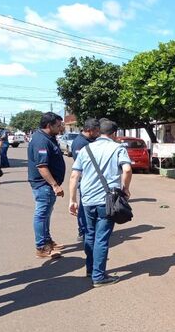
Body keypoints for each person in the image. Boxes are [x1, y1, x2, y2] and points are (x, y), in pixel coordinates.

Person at [69, 120, 132, 287]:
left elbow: (74, 176)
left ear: (99, 132)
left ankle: (90, 269)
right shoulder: (118, 148)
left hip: (87, 199)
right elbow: (126, 169)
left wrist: (72, 199)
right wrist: (125, 189)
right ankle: (98, 276)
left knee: (89, 235)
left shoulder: (85, 149)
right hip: (107, 199)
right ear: (114, 134)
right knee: (102, 238)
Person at [27, 112, 65, 259]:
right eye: (58, 125)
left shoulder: (48, 137)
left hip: (46, 185)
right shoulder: (41, 140)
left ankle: (47, 241)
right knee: (42, 215)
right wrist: (54, 185)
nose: (60, 127)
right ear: (49, 125)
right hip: (44, 185)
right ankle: (42, 247)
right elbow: (42, 166)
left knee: (46, 214)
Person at [70, 118, 101, 242]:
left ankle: (90, 229)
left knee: (90, 206)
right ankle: (83, 231)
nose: (98, 133)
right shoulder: (80, 143)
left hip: (92, 180)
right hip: (85, 180)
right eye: (96, 131)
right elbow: (81, 166)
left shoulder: (90, 140)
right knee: (84, 207)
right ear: (89, 130)